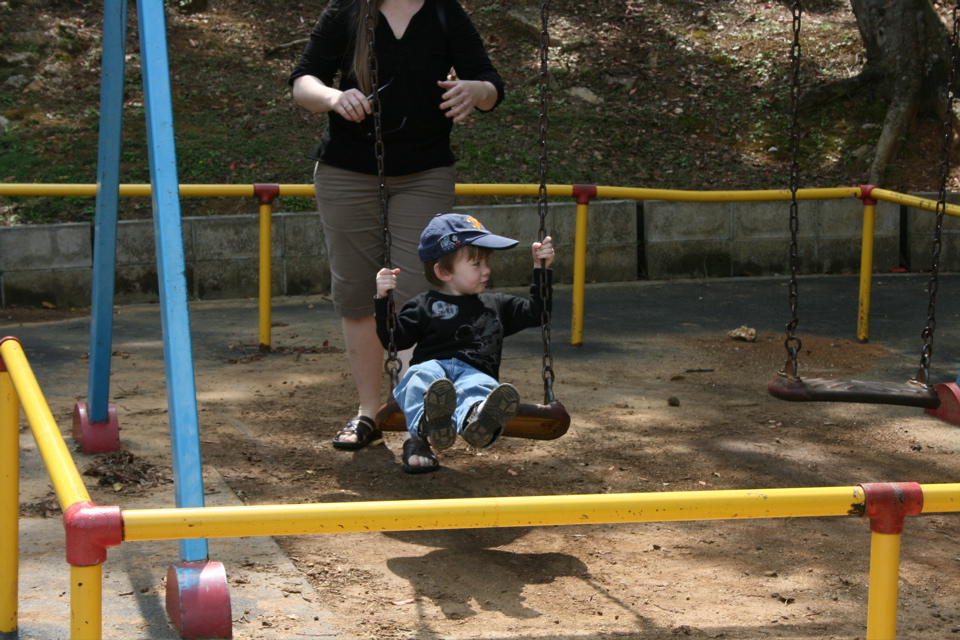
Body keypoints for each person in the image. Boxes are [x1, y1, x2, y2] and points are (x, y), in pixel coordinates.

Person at [288, 0, 505, 452]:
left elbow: (490, 85)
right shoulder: (348, 10)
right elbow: (303, 81)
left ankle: (418, 419)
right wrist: (333, 97)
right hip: (347, 170)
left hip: (424, 171)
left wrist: (474, 91)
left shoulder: (445, 13)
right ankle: (370, 411)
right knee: (357, 293)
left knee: (417, 295)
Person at [374, 213, 555, 473]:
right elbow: (395, 341)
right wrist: (382, 299)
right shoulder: (423, 306)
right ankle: (428, 423)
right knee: (419, 375)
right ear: (444, 271)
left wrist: (542, 269)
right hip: (433, 373)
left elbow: (538, 313)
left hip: (475, 373)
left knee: (481, 388)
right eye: (477, 264)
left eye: (487, 262)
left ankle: (476, 422)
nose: (487, 270)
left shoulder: (497, 306)